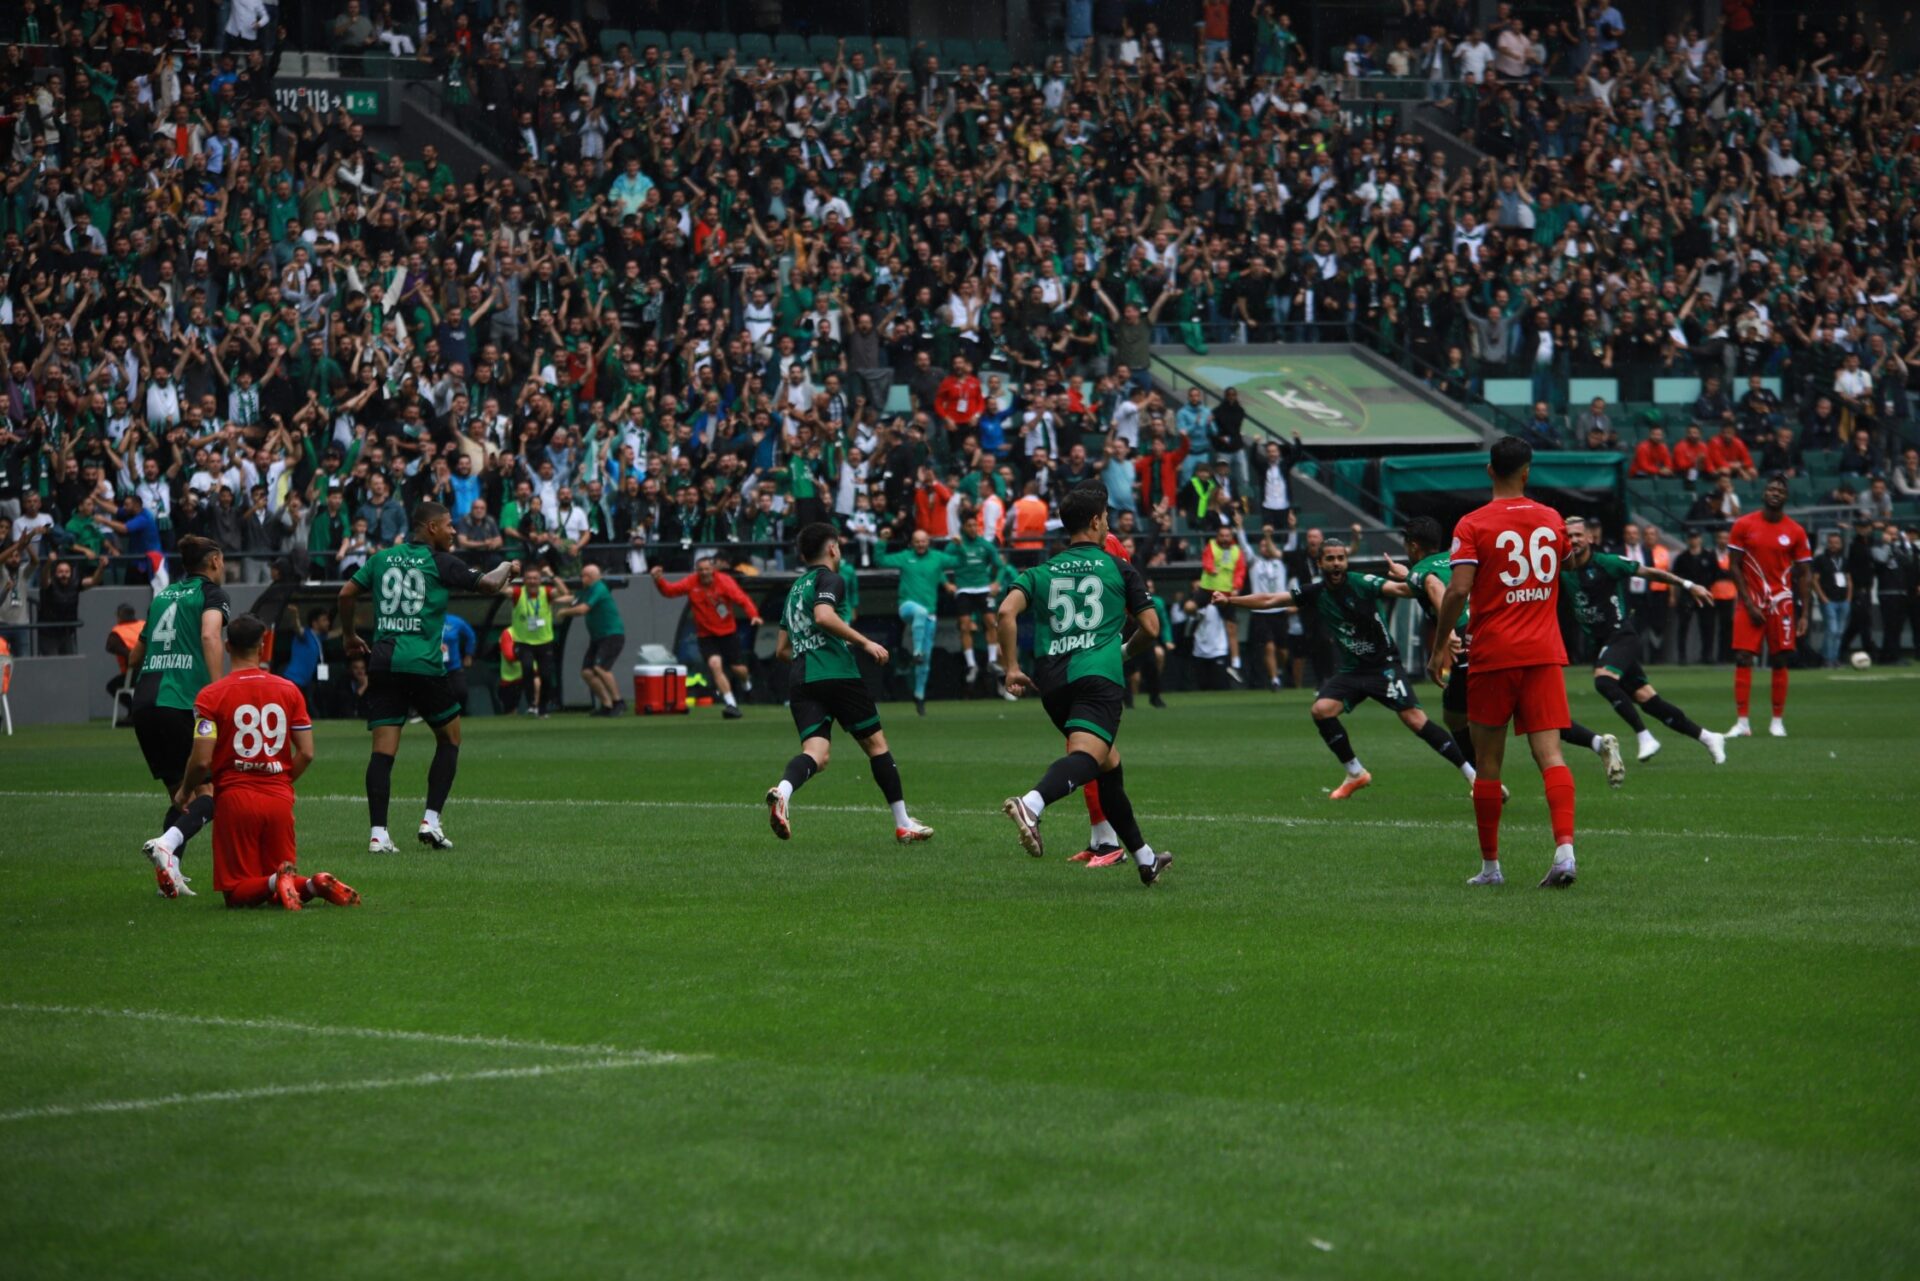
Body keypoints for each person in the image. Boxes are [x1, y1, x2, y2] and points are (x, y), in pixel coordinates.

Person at [997, 484, 1170, 886]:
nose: (1108, 519)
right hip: (1097, 677)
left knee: (1109, 764)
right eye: (1106, 514)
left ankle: (1144, 859)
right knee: (1090, 759)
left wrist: (1010, 668)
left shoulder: (1040, 571)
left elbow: (1005, 613)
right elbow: (1151, 628)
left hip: (1053, 683)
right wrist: (1124, 652)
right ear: (1096, 521)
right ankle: (1031, 804)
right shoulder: (1117, 567)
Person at [1427, 437, 1578, 889]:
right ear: (1527, 471)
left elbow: (1457, 590)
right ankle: (1565, 853)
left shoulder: (1473, 523)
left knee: (1489, 763)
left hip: (1493, 655)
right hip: (1543, 652)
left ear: (1489, 470)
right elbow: (1565, 564)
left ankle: (1492, 868)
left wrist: (1439, 647)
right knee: (1550, 755)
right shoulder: (1551, 519)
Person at [1218, 537, 1478, 798]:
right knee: (1321, 710)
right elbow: (1270, 600)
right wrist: (1231, 601)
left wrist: (1413, 577)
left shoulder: (1361, 582)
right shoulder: (1316, 593)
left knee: (1415, 720)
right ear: (1320, 563)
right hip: (1353, 671)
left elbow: (1403, 591)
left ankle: (1473, 776)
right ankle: (1355, 773)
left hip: (1383, 666)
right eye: (1330, 559)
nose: (1336, 564)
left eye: (1340, 558)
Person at [337, 501, 519, 853]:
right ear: (431, 527)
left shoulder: (381, 558)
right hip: (422, 663)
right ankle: (430, 820)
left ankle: (378, 834)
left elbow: (346, 593)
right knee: (449, 740)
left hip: (384, 663)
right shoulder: (441, 562)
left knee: (382, 753)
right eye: (449, 525)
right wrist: (506, 565)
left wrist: (348, 635)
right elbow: (489, 585)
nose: (454, 531)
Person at [1399, 517, 1625, 787]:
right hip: (1503, 634)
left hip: (1470, 642)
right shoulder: (1456, 558)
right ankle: (1598, 743)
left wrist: (1446, 635)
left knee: (1460, 718)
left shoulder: (1422, 570)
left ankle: (1482, 781)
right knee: (1534, 716)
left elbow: (1437, 589)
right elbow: (1430, 584)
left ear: (1413, 547)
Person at [176, 615, 358, 911]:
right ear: (263, 647)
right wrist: (281, 781)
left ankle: (278, 882)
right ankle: (314, 883)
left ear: (227, 646)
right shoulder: (289, 690)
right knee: (277, 882)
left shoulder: (210, 696)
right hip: (278, 798)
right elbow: (307, 752)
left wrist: (185, 792)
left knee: (236, 892)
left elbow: (201, 761)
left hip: (236, 798)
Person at [766, 523, 932, 845]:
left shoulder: (794, 589)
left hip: (801, 678)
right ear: (833, 548)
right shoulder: (830, 579)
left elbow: (781, 650)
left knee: (817, 753)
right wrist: (865, 643)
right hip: (836, 673)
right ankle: (902, 823)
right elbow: (825, 616)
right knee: (876, 745)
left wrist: (809, 655)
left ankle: (783, 792)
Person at [1559, 517, 1726, 764]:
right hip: (1601, 644)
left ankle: (1644, 736)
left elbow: (1648, 572)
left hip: (1621, 637)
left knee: (1604, 681)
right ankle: (1707, 737)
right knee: (1649, 701)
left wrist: (1688, 584)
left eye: (1578, 535)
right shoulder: (1561, 570)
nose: (1573, 540)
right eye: (1568, 536)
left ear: (1590, 538)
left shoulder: (1607, 563)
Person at [128, 536, 231, 899]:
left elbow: (134, 656)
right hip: (181, 702)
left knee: (182, 796)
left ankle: (168, 874)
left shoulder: (162, 597)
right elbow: (209, 634)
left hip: (144, 703)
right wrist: (219, 692)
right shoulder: (212, 594)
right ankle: (167, 848)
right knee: (212, 792)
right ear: (215, 560)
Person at [1726, 475, 1812, 738]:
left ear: (1786, 497)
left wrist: (1805, 613)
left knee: (1779, 659)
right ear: (1764, 493)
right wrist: (1748, 602)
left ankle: (1777, 720)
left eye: (1780, 490)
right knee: (1743, 657)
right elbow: (1734, 565)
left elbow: (1805, 574)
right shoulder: (1743, 524)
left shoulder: (1795, 531)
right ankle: (1742, 722)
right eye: (1771, 488)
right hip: (1750, 601)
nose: (1775, 492)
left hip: (1782, 603)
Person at [651, 555, 760, 719]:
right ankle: (731, 704)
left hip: (728, 632)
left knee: (739, 669)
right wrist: (659, 580)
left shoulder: (724, 581)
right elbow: (670, 591)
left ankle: (746, 684)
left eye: (707, 569)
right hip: (706, 635)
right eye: (700, 570)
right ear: (696, 571)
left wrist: (753, 615)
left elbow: (742, 599)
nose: (704, 573)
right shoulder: (691, 582)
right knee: (715, 665)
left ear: (713, 570)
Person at [874, 529, 950, 715]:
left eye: (923, 541)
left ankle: (919, 695)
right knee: (919, 612)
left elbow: (958, 561)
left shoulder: (937, 558)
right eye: (917, 541)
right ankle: (915, 652)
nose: (920, 544)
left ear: (928, 542)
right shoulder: (905, 557)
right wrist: (882, 541)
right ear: (912, 543)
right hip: (907, 607)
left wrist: (957, 545)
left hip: (930, 614)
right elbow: (880, 560)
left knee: (926, 658)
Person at [942, 513, 1013, 695]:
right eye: (970, 525)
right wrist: (946, 583)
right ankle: (971, 664)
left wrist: (996, 582)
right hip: (964, 589)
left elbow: (1001, 565)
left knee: (991, 622)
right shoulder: (956, 545)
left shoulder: (985, 545)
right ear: (964, 527)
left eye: (976, 525)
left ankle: (991, 661)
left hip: (982, 588)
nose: (973, 528)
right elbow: (938, 564)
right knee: (965, 626)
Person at [560, 564, 627, 715]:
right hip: (598, 637)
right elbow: (573, 598)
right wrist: (552, 599)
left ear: (591, 577)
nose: (582, 579)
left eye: (584, 576)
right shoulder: (587, 591)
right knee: (587, 672)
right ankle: (606, 704)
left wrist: (565, 612)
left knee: (600, 668)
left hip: (611, 635)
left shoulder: (599, 588)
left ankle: (618, 701)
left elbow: (582, 609)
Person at [507, 565, 561, 717]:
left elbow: (564, 592)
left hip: (544, 641)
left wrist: (551, 575)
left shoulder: (546, 592)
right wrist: (510, 574)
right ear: (524, 580)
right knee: (527, 668)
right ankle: (532, 703)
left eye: (535, 578)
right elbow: (502, 590)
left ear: (540, 580)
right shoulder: (518, 592)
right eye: (529, 578)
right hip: (524, 642)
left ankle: (542, 707)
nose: (532, 581)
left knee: (546, 676)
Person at [1812, 530, 1853, 668]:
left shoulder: (1844, 560)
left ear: (1841, 545)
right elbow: (1815, 580)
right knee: (1832, 630)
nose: (1834, 545)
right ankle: (1827, 658)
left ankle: (1834, 658)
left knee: (1839, 631)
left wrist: (1848, 598)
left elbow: (1849, 579)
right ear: (1827, 544)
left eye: (1836, 543)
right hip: (1829, 600)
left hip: (1843, 600)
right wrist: (1822, 597)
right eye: (1831, 543)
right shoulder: (1820, 559)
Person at [439, 610, 478, 712]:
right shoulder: (427, 621)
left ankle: (461, 714)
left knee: (461, 692)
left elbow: (471, 636)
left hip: (454, 666)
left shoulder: (455, 621)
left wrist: (469, 655)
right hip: (433, 667)